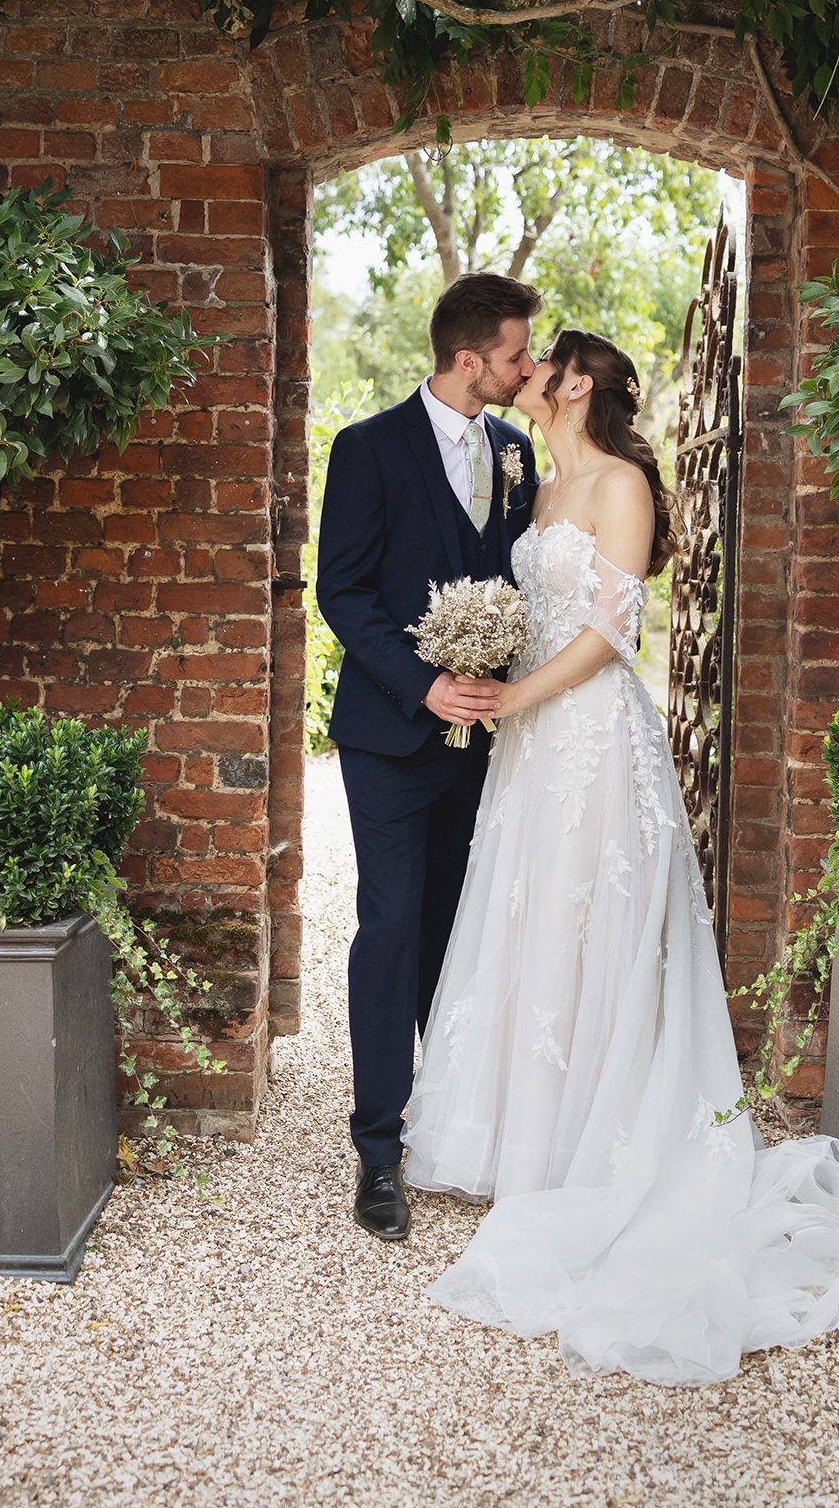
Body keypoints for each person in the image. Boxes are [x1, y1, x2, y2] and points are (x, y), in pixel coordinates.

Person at [401, 327, 839, 1386]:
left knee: (591, 922)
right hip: (529, 747)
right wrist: (480, 663)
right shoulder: (534, 488)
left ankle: (593, 1145)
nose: (523, 378)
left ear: (572, 384)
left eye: (539, 365)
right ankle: (528, 1138)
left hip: (594, 743)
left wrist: (514, 692)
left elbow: (612, 632)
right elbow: (530, 609)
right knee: (528, 919)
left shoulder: (619, 484)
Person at [313, 271, 542, 1242]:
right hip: (390, 735)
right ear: (467, 358)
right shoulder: (366, 449)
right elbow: (343, 591)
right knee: (392, 925)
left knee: (461, 930)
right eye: (516, 353)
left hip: (487, 740)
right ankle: (377, 1148)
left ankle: (455, 1120)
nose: (527, 368)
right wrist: (422, 682)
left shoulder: (517, 451)